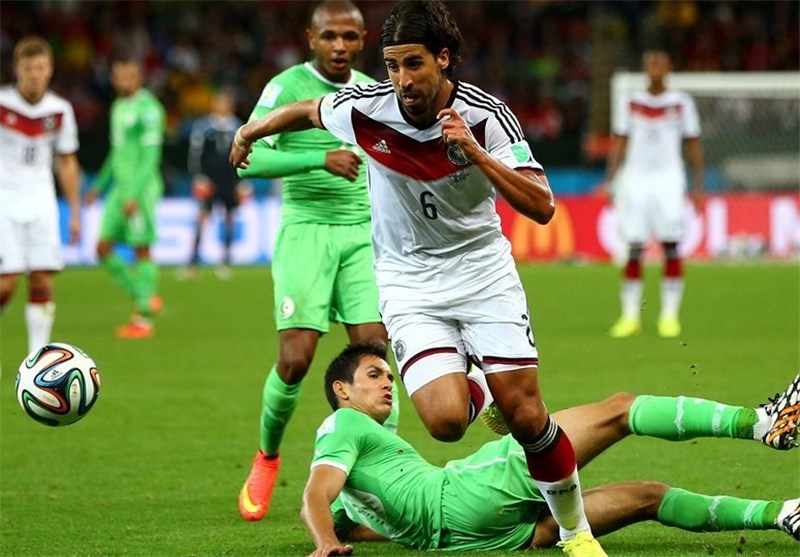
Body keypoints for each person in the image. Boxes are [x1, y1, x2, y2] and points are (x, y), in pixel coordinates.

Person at [231, 1, 600, 551]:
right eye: (392, 66)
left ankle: (575, 532)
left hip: (482, 274)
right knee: (445, 423)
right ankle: (478, 383)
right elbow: (307, 110)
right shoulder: (367, 108)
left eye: (413, 64)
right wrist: (250, 131)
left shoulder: (486, 116)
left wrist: (475, 154)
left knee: (526, 417)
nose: (401, 80)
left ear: (443, 59)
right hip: (409, 282)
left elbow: (543, 205)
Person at [302, 342, 800, 556]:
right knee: (620, 409)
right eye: (374, 375)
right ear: (342, 391)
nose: (388, 384)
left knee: (647, 496)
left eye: (389, 376)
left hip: (487, 538)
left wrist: (337, 535)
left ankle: (782, 514)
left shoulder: (359, 474)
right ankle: (760, 423)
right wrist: (323, 542)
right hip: (470, 491)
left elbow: (350, 522)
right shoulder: (343, 423)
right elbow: (314, 496)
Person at [234, 1, 399, 522]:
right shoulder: (286, 88)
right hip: (306, 231)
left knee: (374, 355)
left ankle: (382, 478)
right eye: (330, 36)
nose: (339, 46)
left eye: (349, 37)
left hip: (362, 235)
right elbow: (246, 159)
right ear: (311, 37)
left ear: (363, 39)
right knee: (295, 360)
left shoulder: (375, 90)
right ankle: (267, 457)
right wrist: (318, 158)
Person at [605, 47, 704, 339]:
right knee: (634, 248)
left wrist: (698, 187)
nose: (656, 68)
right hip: (635, 180)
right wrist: (610, 180)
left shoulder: (682, 103)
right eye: (651, 64)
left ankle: (669, 317)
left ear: (669, 68)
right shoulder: (630, 101)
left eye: (661, 64)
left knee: (671, 246)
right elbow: (619, 141)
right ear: (645, 69)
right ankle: (630, 316)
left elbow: (693, 144)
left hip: (669, 181)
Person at [0, 36, 81, 354]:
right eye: (28, 68)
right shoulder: (3, 104)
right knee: (6, 282)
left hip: (41, 201)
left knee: (43, 278)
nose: (34, 74)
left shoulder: (60, 110)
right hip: (4, 200)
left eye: (40, 68)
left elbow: (67, 161)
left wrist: (75, 212)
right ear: (16, 69)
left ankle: (37, 361)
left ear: (50, 70)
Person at [86, 54, 166, 339]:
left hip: (140, 188)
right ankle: (142, 295)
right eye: (119, 76)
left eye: (129, 76)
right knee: (102, 248)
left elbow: (150, 157)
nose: (124, 82)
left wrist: (134, 193)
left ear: (140, 77)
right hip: (119, 188)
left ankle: (142, 319)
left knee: (141, 250)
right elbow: (117, 151)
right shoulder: (118, 106)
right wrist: (99, 185)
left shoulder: (149, 109)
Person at [185, 89, 246, 280]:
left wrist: (242, 181)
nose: (222, 106)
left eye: (225, 102)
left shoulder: (237, 126)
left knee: (229, 219)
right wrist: (199, 176)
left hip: (229, 180)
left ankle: (225, 261)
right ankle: (193, 262)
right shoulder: (203, 126)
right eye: (219, 102)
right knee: (202, 218)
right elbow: (195, 154)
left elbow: (246, 153)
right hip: (209, 180)